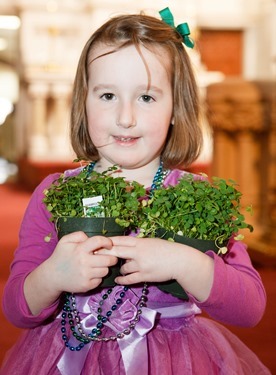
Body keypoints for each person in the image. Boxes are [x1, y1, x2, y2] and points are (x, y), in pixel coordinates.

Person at [1, 7, 271, 375]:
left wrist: (185, 262)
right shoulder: (55, 193)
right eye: (107, 95)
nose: (125, 117)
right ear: (83, 100)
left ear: (176, 107)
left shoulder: (198, 198)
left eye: (146, 98)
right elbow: (16, 308)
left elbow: (250, 307)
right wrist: (53, 276)